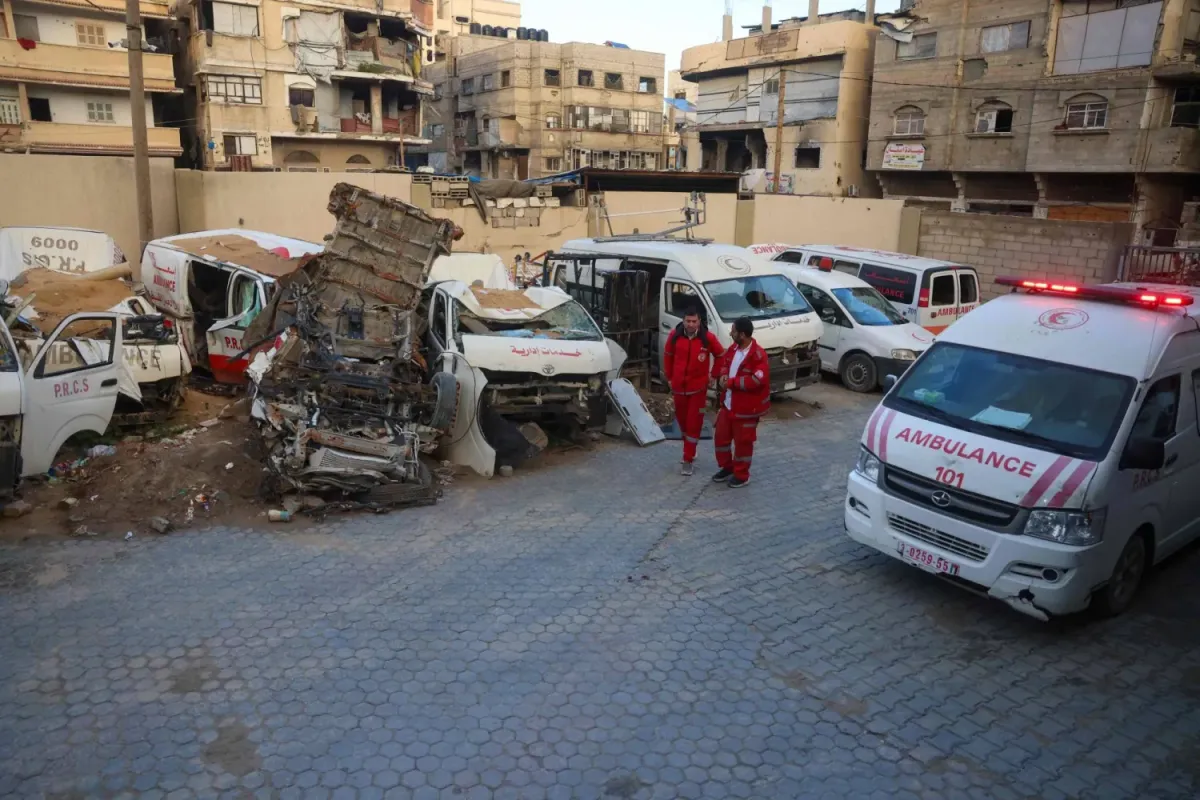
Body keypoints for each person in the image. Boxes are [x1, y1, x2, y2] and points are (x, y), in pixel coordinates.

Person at [663, 305, 724, 476]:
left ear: (699, 321)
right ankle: (690, 447)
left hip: (698, 391)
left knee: (694, 423)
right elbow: (668, 356)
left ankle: (687, 459)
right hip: (678, 389)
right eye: (688, 321)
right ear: (683, 321)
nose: (690, 324)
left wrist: (713, 375)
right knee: (683, 422)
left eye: (694, 321)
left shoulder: (707, 338)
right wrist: (669, 378)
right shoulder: (674, 336)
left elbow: (720, 355)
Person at [713, 316, 770, 488]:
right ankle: (727, 467)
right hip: (728, 405)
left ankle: (742, 475)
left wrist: (731, 383)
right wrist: (723, 375)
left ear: (742, 335)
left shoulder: (758, 355)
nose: (731, 333)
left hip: (746, 410)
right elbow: (725, 363)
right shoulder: (733, 348)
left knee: (743, 444)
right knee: (721, 438)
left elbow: (756, 380)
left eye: (733, 331)